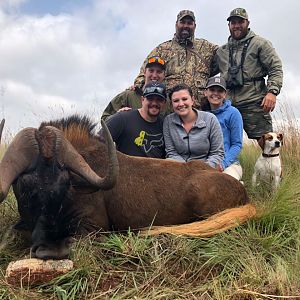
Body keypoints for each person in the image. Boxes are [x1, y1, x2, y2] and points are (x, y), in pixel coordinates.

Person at [212, 8, 283, 140]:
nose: (237, 26)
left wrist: (272, 92)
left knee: (267, 143)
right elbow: (209, 74)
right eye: (233, 22)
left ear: (248, 23)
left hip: (255, 103)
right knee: (223, 143)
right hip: (228, 105)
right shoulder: (221, 51)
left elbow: (275, 68)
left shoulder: (260, 44)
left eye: (241, 22)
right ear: (229, 25)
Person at [134, 10, 218, 109]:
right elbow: (143, 77)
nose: (186, 26)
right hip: (169, 111)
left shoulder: (207, 47)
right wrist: (137, 90)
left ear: (195, 26)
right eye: (182, 22)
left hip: (199, 112)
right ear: (176, 24)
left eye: (189, 23)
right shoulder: (162, 49)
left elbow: (227, 55)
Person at [163, 83, 224, 168]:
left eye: (184, 99)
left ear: (192, 100)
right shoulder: (168, 121)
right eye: (176, 101)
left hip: (206, 169)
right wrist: (186, 169)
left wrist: (202, 169)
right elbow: (171, 152)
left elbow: (217, 153)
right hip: (180, 168)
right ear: (172, 104)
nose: (181, 104)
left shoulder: (210, 119)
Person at [103, 82, 167, 158]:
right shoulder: (122, 118)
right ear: (142, 100)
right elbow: (97, 143)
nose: (154, 103)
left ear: (164, 103)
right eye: (150, 98)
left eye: (159, 100)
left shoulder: (166, 125)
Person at [101, 56, 167, 122]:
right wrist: (118, 117)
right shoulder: (128, 96)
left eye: (159, 72)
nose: (155, 75)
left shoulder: (169, 101)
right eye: (151, 71)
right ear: (144, 72)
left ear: (164, 75)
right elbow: (104, 119)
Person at [203, 76, 243, 181]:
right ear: (205, 92)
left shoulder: (233, 113)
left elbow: (237, 144)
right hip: (206, 163)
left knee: (225, 183)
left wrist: (223, 164)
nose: (215, 93)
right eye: (212, 90)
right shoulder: (202, 114)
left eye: (220, 91)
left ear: (225, 94)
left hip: (229, 164)